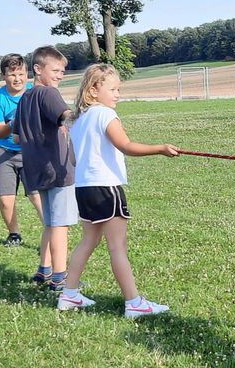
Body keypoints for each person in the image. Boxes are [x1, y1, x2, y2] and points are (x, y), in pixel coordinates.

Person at [62, 63, 177, 317]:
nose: (117, 94)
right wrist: (160, 148)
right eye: (112, 89)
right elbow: (125, 145)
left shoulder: (77, 120)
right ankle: (134, 303)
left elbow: (72, 159)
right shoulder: (105, 115)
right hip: (106, 188)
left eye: (119, 89)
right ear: (93, 91)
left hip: (84, 189)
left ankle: (69, 294)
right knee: (117, 247)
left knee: (88, 241)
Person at [11, 46, 78, 300]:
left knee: (50, 222)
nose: (60, 75)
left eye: (62, 71)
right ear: (38, 70)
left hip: (36, 170)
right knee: (60, 225)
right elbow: (67, 116)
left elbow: (16, 136)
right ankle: (60, 279)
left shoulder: (25, 99)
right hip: (58, 171)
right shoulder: (49, 93)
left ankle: (44, 269)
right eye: (56, 70)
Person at [0, 53, 43, 247]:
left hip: (31, 152)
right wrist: (14, 122)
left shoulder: (35, 91)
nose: (17, 79)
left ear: (26, 73)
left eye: (21, 73)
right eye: (12, 74)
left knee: (36, 195)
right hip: (4, 153)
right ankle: (14, 234)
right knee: (5, 200)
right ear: (3, 76)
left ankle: (51, 231)